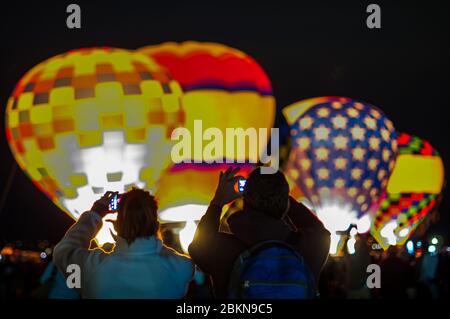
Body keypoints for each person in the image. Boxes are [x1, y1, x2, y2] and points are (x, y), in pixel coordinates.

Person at [189, 167, 331, 298]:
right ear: (286, 204)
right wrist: (279, 195)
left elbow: (197, 247)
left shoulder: (224, 249)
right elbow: (320, 230)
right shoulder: (310, 247)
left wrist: (218, 201)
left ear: (246, 200)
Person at [53, 188, 193, 298]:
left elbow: (64, 250)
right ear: (156, 226)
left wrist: (95, 214)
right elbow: (163, 253)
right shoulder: (181, 268)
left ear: (116, 226)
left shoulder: (92, 268)